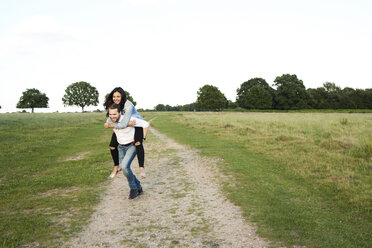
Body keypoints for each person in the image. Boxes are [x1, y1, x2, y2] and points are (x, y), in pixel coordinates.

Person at [103, 87, 149, 179]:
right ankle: (116, 166)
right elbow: (110, 120)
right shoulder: (113, 105)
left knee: (138, 143)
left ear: (123, 97)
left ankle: (141, 168)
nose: (116, 99)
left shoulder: (128, 105)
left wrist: (111, 125)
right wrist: (111, 125)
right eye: (114, 96)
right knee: (112, 145)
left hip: (136, 124)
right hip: (124, 124)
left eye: (118, 96)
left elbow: (123, 123)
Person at [105, 103, 143, 199]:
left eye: (115, 114)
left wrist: (142, 138)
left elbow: (144, 125)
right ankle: (138, 185)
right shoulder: (110, 121)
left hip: (132, 146)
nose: (112, 116)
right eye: (110, 114)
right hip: (121, 147)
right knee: (124, 169)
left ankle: (133, 189)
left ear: (120, 113)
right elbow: (115, 132)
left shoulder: (128, 119)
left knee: (125, 167)